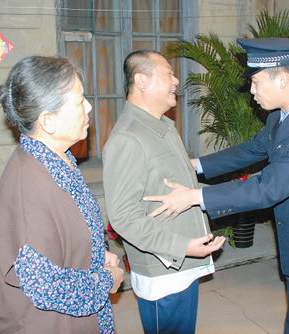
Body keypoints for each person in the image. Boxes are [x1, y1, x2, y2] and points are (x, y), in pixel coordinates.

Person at [144, 38, 289, 334]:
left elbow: (268, 187)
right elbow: (251, 150)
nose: (252, 91)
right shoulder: (281, 116)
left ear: (283, 79)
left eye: (257, 82)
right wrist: (193, 165)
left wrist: (196, 196)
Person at [0, 56, 123, 334]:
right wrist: (106, 278)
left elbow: (72, 229)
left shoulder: (58, 160)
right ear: (48, 122)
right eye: (79, 101)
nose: (88, 106)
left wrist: (98, 254)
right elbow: (48, 288)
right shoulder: (29, 185)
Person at [103, 50, 225, 334]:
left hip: (182, 267)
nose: (176, 80)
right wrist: (181, 247)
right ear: (141, 81)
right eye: (168, 74)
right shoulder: (128, 138)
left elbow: (183, 188)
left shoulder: (163, 127)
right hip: (164, 272)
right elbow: (123, 217)